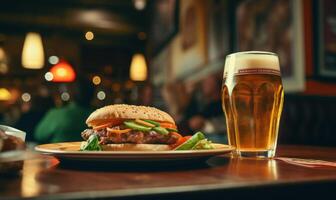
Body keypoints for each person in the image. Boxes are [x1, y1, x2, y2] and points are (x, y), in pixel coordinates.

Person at [34, 77, 94, 143]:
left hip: (58, 152)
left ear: (71, 93)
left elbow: (39, 135)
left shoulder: (56, 114)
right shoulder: (96, 116)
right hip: (89, 153)